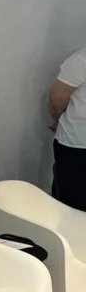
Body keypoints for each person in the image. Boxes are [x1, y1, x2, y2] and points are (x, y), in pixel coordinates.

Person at [49, 47, 86, 211]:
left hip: (77, 144)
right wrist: (58, 118)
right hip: (77, 146)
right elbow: (57, 98)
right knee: (69, 206)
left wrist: (57, 118)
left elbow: (57, 98)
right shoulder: (81, 60)